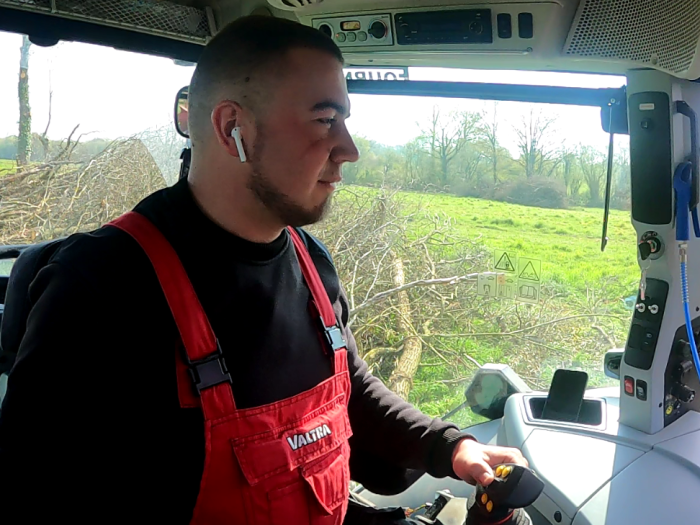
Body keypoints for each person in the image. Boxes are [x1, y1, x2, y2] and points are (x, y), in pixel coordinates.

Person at [0, 15, 528, 524]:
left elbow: (350, 388)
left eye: (345, 122)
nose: (348, 149)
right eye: (325, 121)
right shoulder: (102, 285)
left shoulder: (310, 260)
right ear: (234, 128)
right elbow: (36, 495)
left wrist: (450, 448)